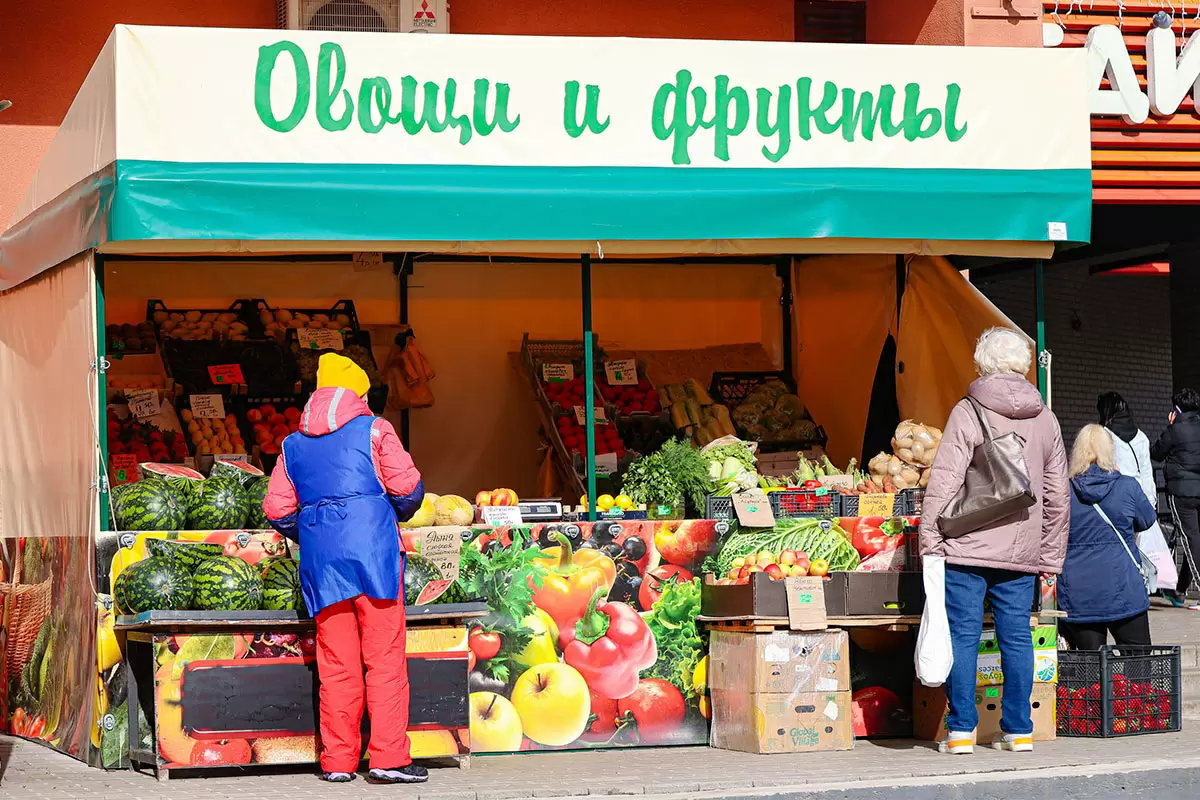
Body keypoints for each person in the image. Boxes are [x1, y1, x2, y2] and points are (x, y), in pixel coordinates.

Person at [264, 353, 427, 784]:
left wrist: (315, 532)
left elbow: (276, 507)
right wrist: (385, 511)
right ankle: (389, 759)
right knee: (385, 660)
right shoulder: (376, 429)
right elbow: (409, 490)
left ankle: (338, 763)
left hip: (323, 566)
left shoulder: (292, 444)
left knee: (336, 664)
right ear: (358, 394)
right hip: (375, 559)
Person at [920, 327, 1069, 755]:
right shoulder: (1047, 418)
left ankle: (962, 730)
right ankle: (1019, 729)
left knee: (964, 637)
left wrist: (930, 539)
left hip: (967, 546)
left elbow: (945, 482)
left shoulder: (968, 410)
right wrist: (1050, 558)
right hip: (1021, 551)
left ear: (982, 362)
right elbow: (1058, 495)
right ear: (1022, 364)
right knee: (1017, 638)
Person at [1059, 425, 1156, 648]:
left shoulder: (1064, 490)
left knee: (1089, 672)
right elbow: (1147, 519)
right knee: (1139, 669)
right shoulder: (1126, 485)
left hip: (1079, 594)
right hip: (1125, 588)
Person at [1098, 392, 1176, 595]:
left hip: (1115, 496)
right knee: (1135, 545)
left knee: (1118, 544)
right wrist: (1150, 502)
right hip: (1139, 496)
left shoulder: (1104, 435)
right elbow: (1146, 471)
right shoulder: (1141, 435)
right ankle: (1137, 586)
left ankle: (1120, 588)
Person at [1150, 388, 1200, 609]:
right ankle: (1180, 589)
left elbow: (1156, 453)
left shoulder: (1176, 430)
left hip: (1181, 491)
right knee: (1196, 539)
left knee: (1191, 540)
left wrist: (1171, 426)